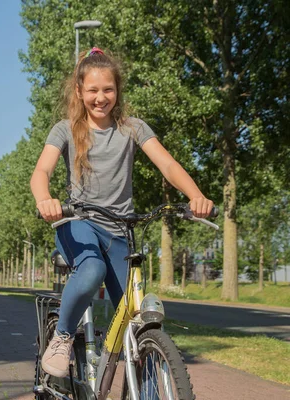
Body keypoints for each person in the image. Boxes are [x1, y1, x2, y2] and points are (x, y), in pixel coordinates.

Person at [30, 48, 213, 378]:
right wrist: (45, 199)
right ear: (79, 91)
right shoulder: (65, 129)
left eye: (108, 90)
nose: (101, 98)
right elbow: (41, 171)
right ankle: (63, 336)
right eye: (93, 90)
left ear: (118, 90)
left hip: (120, 229)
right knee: (91, 272)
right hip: (78, 223)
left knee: (131, 316)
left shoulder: (132, 128)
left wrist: (195, 194)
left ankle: (143, 377)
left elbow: (167, 164)